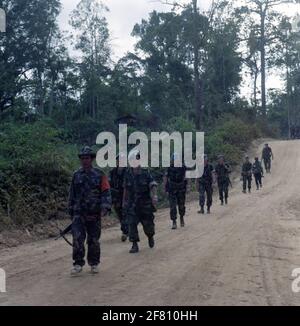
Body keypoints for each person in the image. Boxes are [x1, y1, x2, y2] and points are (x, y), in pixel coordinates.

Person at [68, 146, 112, 276]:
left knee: (93, 240)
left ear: (91, 159)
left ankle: (94, 263)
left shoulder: (99, 174)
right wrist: (70, 209)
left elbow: (106, 192)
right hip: (79, 213)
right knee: (77, 238)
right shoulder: (76, 175)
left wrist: (105, 207)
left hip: (94, 213)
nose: (84, 160)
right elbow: (72, 193)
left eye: (87, 158)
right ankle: (77, 264)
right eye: (82, 158)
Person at [123, 151, 158, 254]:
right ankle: (134, 244)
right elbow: (126, 188)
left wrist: (154, 196)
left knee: (149, 227)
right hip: (132, 205)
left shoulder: (145, 173)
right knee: (132, 223)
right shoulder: (128, 174)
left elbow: (153, 185)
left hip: (145, 205)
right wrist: (124, 202)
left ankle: (150, 236)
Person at [164, 153, 187, 230]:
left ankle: (181, 217)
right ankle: (174, 221)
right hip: (172, 188)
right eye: (174, 159)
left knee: (181, 205)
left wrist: (187, 186)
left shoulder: (182, 167)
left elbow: (185, 177)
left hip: (181, 188)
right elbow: (166, 178)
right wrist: (165, 188)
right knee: (172, 206)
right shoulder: (169, 168)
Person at [109, 154, 128, 242]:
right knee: (119, 214)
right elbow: (109, 184)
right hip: (116, 196)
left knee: (125, 212)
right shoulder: (113, 172)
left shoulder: (128, 171)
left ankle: (125, 231)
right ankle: (126, 229)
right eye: (118, 160)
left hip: (126, 195)